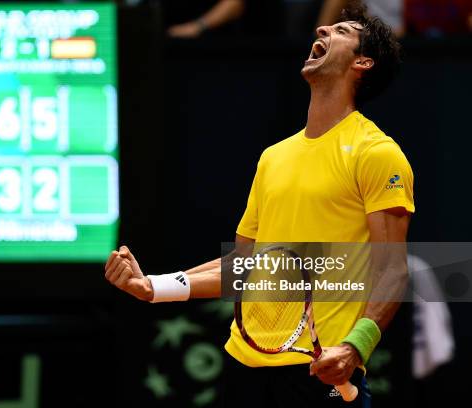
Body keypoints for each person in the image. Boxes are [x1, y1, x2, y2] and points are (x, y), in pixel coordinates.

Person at [105, 1, 414, 406]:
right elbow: (243, 265)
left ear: (364, 63)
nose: (322, 32)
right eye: (326, 29)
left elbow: (392, 270)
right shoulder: (274, 157)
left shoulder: (377, 154)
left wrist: (356, 347)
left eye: (342, 32)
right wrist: (153, 288)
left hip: (319, 371)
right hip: (243, 371)